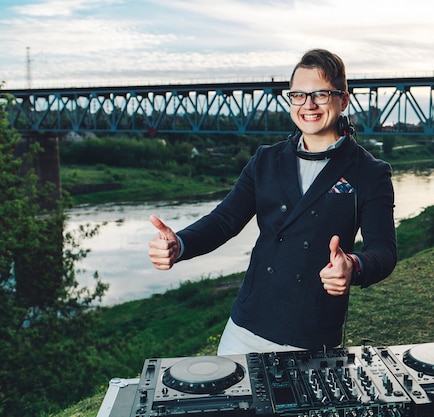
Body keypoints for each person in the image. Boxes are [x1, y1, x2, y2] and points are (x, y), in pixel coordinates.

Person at [148, 49, 396, 355]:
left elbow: (384, 251)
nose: (308, 105)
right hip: (246, 325)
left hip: (313, 335)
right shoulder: (265, 160)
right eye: (298, 95)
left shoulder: (371, 172)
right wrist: (180, 244)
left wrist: (354, 266)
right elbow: (224, 220)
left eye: (320, 94)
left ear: (343, 99)